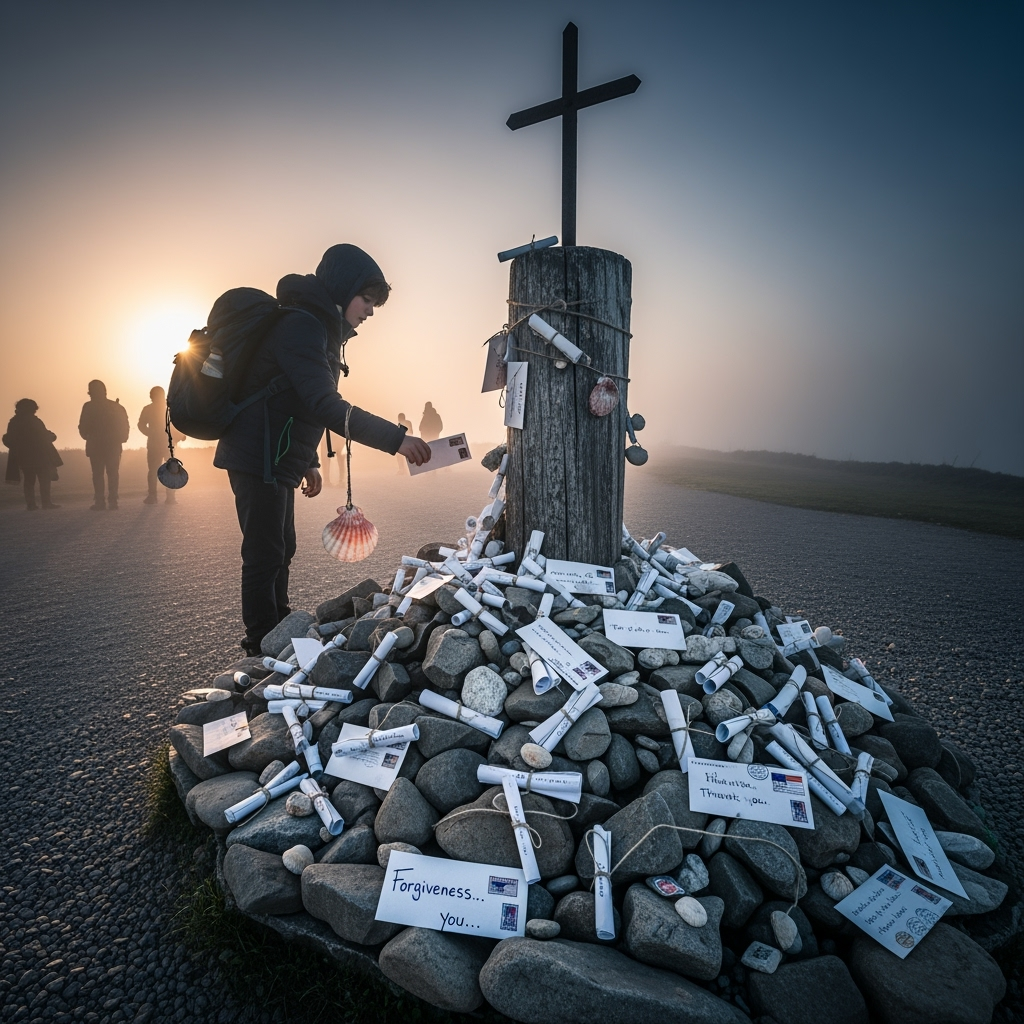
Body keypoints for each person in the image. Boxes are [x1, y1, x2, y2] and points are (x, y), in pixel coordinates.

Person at [214, 243, 431, 656]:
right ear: (342, 288)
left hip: (276, 455)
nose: (369, 311)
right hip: (257, 453)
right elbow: (324, 404)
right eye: (366, 300)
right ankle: (261, 645)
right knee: (264, 552)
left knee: (282, 547)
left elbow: (294, 399)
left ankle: (277, 628)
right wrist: (397, 439)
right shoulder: (303, 326)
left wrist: (309, 460)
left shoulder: (317, 327)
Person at [78, 380, 130, 510]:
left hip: (97, 445)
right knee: (112, 473)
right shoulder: (115, 406)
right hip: (112, 445)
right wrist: (122, 438)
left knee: (98, 474)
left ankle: (100, 501)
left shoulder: (88, 407)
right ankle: (112, 500)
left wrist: (87, 436)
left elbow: (82, 426)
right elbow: (125, 425)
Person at [3, 399, 62, 510]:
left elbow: (9, 439)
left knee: (29, 481)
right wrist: (52, 436)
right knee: (44, 480)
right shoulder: (35, 421)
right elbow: (44, 435)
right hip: (40, 455)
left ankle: (31, 504)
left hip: (24, 457)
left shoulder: (14, 422)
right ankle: (46, 503)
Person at [138, 386, 185, 504]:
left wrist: (180, 435)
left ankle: (164, 497)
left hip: (165, 444)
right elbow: (141, 425)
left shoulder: (167, 409)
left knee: (158, 470)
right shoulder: (167, 409)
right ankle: (162, 497)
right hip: (163, 444)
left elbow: (176, 424)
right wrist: (150, 433)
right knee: (162, 470)